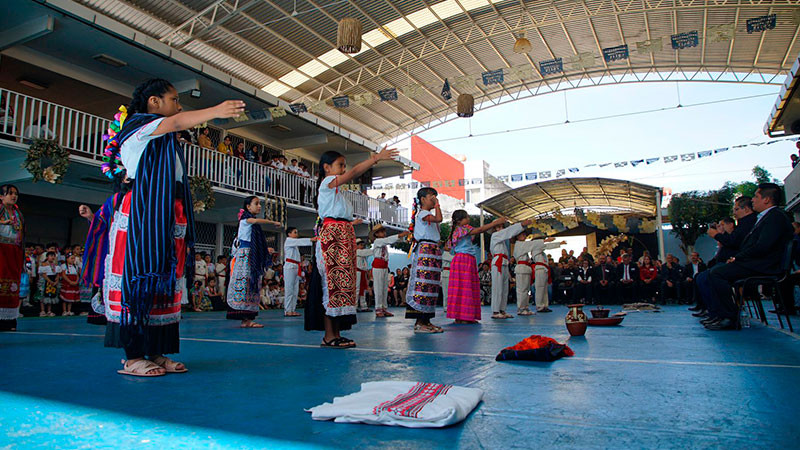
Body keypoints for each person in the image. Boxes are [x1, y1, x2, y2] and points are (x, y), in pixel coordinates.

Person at [104, 78, 243, 377]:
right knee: (140, 281)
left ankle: (156, 351)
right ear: (154, 102)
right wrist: (216, 110)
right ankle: (132, 356)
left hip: (168, 216)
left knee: (163, 285)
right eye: (174, 99)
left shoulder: (164, 139)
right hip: (144, 217)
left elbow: (176, 126)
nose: (178, 106)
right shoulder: (139, 128)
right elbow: (177, 121)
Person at [305, 147, 397, 348]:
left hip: (341, 235)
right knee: (333, 284)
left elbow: (339, 213)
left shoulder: (336, 191)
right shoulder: (328, 182)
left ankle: (335, 333)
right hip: (334, 238)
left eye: (344, 166)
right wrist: (374, 159)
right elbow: (354, 173)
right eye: (340, 165)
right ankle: (329, 336)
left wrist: (350, 224)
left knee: (342, 285)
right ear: (327, 168)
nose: (343, 169)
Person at [700, 183, 793, 329]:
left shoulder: (775, 217)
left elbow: (762, 246)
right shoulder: (766, 217)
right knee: (715, 272)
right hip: (758, 263)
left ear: (767, 200)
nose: (753, 200)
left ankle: (729, 317)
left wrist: (738, 258)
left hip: (765, 265)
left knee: (716, 273)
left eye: (756, 196)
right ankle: (721, 314)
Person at [227, 196, 280, 328]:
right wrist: (272, 222)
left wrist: (265, 248)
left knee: (251, 286)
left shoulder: (253, 226)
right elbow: (255, 220)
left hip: (249, 255)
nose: (259, 206)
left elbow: (253, 242)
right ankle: (246, 318)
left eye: (259, 204)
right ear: (248, 207)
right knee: (245, 285)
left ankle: (247, 319)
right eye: (256, 204)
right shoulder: (246, 219)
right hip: (245, 256)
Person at [445, 210, 506, 324]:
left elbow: (448, 247)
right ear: (459, 220)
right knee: (467, 287)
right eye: (466, 217)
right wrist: (494, 223)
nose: (468, 218)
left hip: (458, 259)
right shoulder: (463, 229)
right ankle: (465, 316)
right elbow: (480, 230)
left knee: (459, 287)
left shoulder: (455, 231)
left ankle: (459, 316)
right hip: (465, 259)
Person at [405, 187, 444, 333]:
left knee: (431, 288)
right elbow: (439, 218)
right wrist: (438, 205)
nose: (434, 199)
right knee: (423, 286)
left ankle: (426, 320)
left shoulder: (427, 214)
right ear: (422, 199)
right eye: (431, 196)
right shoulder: (422, 213)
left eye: (435, 196)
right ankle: (419, 322)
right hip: (425, 251)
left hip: (432, 251)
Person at [489, 219, 533, 319]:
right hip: (498, 263)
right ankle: (496, 311)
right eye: (498, 227)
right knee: (497, 287)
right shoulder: (495, 236)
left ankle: (502, 310)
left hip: (504, 263)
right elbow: (508, 233)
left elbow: (507, 233)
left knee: (505, 288)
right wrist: (521, 225)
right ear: (495, 229)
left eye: (502, 226)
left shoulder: (502, 241)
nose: (501, 229)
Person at [369, 223, 410, 318]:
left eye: (383, 231)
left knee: (384, 288)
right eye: (381, 231)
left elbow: (388, 241)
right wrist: (399, 235)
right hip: (378, 267)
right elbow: (388, 240)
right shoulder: (378, 241)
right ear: (376, 234)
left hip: (383, 266)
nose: (384, 233)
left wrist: (401, 237)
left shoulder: (382, 242)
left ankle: (384, 308)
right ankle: (378, 308)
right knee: (379, 288)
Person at [0, 185, 24, 330]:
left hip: (14, 251)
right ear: (1, 197)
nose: (13, 196)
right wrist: (3, 222)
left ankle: (9, 320)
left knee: (13, 285)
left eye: (15, 193)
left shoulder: (18, 213)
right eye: (9, 193)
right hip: (1, 249)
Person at [283, 227, 315, 317]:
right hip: (289, 267)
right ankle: (288, 310)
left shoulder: (294, 244)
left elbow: (298, 242)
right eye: (295, 232)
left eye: (297, 232)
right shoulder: (289, 241)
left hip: (296, 267)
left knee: (295, 290)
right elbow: (300, 241)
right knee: (289, 289)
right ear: (289, 234)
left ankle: (292, 309)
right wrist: (311, 239)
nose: (296, 234)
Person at [529, 236, 565, 313]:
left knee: (544, 289)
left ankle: (545, 305)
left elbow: (546, 246)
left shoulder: (541, 251)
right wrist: (559, 243)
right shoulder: (535, 248)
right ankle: (539, 306)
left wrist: (559, 244)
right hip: (540, 268)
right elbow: (547, 246)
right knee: (540, 288)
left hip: (544, 269)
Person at [510, 230, 537, 315]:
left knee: (526, 289)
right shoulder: (519, 244)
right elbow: (534, 245)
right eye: (521, 234)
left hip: (525, 268)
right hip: (521, 268)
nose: (524, 236)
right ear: (517, 236)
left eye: (524, 234)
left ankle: (525, 307)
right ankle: (521, 308)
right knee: (521, 289)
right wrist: (545, 242)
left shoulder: (523, 245)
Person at [38, 251, 60, 317]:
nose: (52, 257)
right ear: (47, 257)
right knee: (43, 295)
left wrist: (56, 280)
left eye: (54, 256)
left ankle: (49, 310)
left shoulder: (55, 265)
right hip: (46, 281)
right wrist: (50, 281)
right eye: (51, 256)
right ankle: (42, 310)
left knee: (51, 296)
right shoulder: (44, 264)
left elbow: (58, 274)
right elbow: (44, 274)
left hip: (53, 281)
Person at [355, 239, 372, 312]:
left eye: (363, 245)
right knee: (357, 289)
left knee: (363, 289)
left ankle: (363, 306)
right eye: (361, 245)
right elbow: (367, 252)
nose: (362, 246)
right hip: (357, 272)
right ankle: (355, 306)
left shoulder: (361, 253)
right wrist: (376, 249)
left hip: (362, 272)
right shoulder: (357, 252)